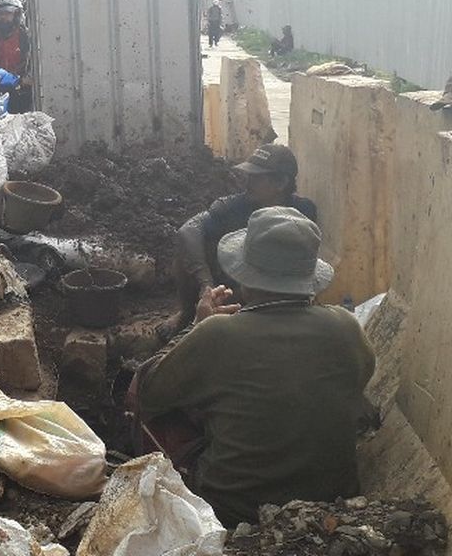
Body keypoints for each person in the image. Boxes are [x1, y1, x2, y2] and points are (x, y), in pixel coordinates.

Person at [133, 206, 375, 526]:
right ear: (308, 279)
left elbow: (145, 392)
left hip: (236, 511)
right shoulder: (347, 327)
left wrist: (196, 324)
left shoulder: (218, 333)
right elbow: (357, 380)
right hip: (329, 506)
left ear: (245, 277)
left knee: (148, 406)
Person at [171, 143, 317, 332]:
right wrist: (205, 283)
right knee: (186, 254)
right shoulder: (235, 206)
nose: (247, 182)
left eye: (256, 178)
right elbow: (188, 230)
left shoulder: (303, 212)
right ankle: (187, 314)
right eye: (248, 176)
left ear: (281, 183)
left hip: (280, 287)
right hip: (239, 282)